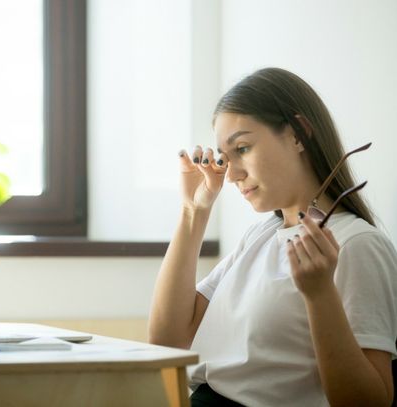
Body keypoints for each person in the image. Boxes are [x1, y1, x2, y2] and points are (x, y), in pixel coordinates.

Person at [148, 67, 397, 406]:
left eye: (243, 148)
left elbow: (369, 403)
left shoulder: (356, 244)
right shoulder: (261, 235)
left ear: (298, 133)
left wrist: (320, 293)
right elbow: (168, 341)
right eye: (225, 157)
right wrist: (193, 212)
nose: (232, 174)